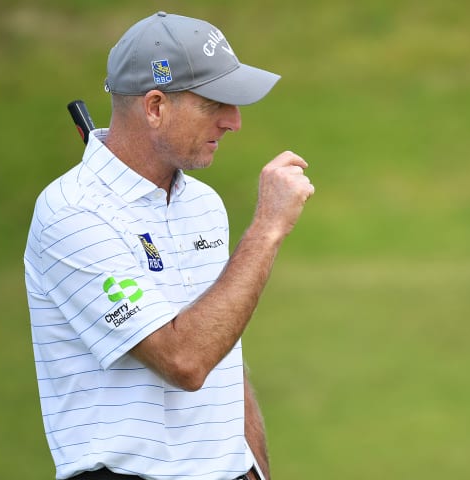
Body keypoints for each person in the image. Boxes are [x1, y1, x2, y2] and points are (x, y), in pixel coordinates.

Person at [24, 11, 314, 480]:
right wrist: (266, 229)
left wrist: (256, 471)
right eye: (216, 103)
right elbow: (186, 360)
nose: (234, 121)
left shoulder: (202, 204)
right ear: (155, 106)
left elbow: (220, 343)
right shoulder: (72, 214)